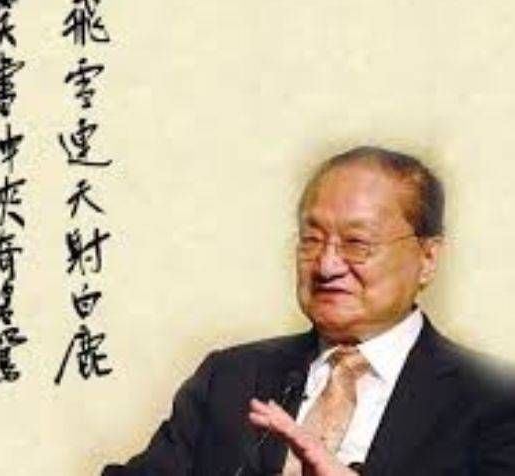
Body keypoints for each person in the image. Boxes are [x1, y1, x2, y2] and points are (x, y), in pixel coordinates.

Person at [102, 146, 515, 476]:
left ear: (427, 257)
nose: (327, 266)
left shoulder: (494, 401)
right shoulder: (230, 377)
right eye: (311, 240)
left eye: (357, 243)